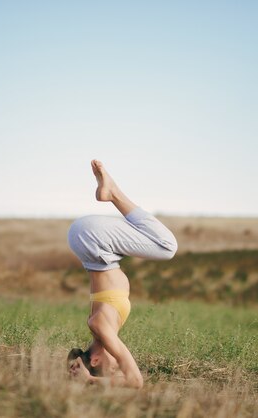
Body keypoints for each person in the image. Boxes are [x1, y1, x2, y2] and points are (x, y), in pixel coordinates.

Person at [67, 159, 178, 388]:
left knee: (167, 247)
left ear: (95, 359)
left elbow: (136, 382)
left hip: (91, 240)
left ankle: (113, 192)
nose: (118, 364)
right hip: (96, 247)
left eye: (113, 367)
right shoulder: (100, 327)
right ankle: (112, 192)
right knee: (162, 245)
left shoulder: (101, 327)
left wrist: (90, 381)